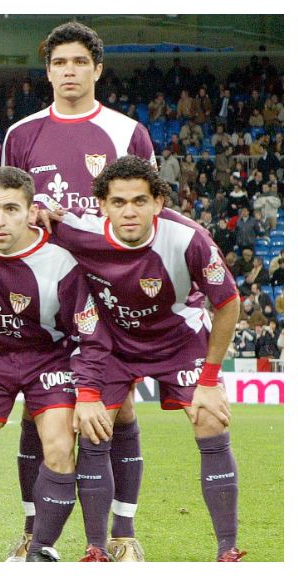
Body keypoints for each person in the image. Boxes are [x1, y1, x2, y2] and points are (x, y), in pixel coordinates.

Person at [0, 20, 154, 561]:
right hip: (40, 288)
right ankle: (30, 531)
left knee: (119, 408)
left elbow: (147, 212)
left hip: (109, 289)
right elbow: (4, 211)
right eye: (59, 63)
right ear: (48, 71)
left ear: (97, 69)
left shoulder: (125, 131)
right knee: (34, 408)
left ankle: (122, 537)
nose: (69, 71)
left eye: (79, 62)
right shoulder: (21, 134)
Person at [46, 155, 244, 562]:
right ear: (102, 205)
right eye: (118, 202)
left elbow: (228, 303)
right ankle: (99, 548)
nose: (129, 211)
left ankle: (227, 551)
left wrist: (209, 381)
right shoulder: (78, 229)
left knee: (209, 418)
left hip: (178, 342)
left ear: (158, 202)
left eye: (139, 200)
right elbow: (18, 213)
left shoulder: (189, 238)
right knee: (96, 425)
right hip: (113, 346)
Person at [0, 166, 108, 563]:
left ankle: (41, 550)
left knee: (60, 449)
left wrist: (89, 392)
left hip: (49, 360)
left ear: (32, 212)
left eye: (11, 209)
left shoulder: (61, 263)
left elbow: (92, 336)